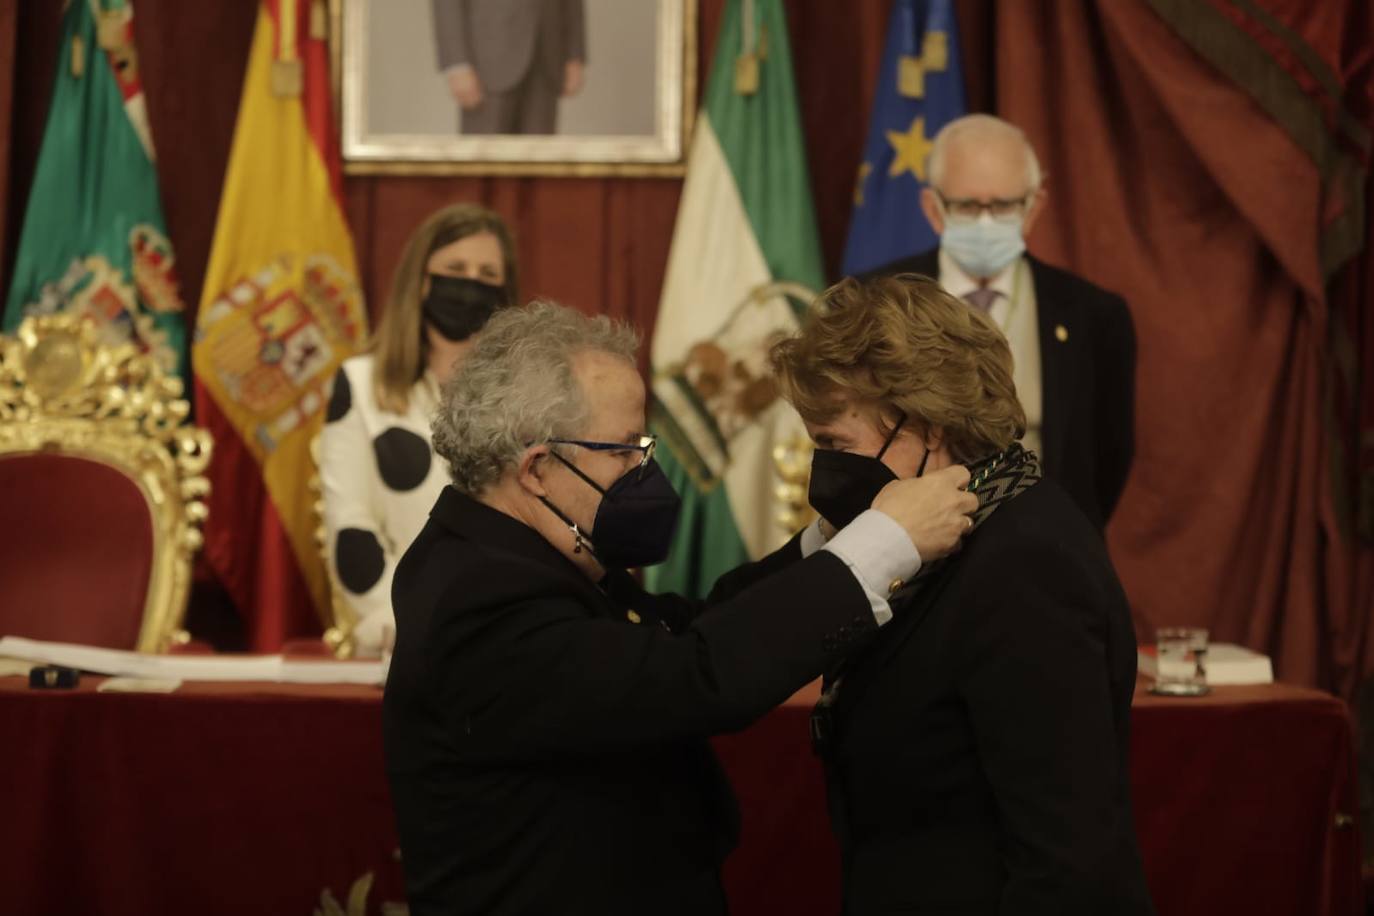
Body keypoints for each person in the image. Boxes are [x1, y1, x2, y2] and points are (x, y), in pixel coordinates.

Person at [383, 300, 978, 915]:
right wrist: (882, 547)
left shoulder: (519, 556)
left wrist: (830, 542)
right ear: (538, 469)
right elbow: (690, 676)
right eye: (623, 451)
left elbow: (684, 630)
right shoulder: (481, 600)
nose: (647, 471)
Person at [769, 273, 1153, 915]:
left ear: (928, 423)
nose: (825, 467)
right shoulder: (953, 535)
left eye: (835, 444)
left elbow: (1070, 862)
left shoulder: (1026, 562)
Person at [865, 113, 1136, 529]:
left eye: (1004, 205)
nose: (986, 221)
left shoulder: (1094, 316)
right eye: (968, 205)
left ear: (1033, 208)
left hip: (1048, 554)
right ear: (933, 209)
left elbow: (1107, 459)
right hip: (906, 556)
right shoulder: (873, 303)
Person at [319, 203, 518, 656]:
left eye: (488, 274)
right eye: (455, 269)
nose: (472, 284)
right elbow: (351, 529)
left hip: (508, 632)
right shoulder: (361, 385)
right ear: (421, 281)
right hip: (401, 635)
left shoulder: (529, 393)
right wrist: (414, 617)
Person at [432, 0, 586, 135]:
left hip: (545, 51)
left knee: (540, 159)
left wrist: (574, 54)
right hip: (488, 59)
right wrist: (458, 64)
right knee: (484, 159)